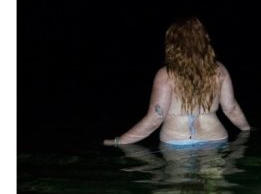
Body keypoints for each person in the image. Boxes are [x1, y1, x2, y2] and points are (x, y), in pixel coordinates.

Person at [103, 17, 251, 146]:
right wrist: (247, 130)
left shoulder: (165, 75)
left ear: (172, 44)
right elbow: (231, 109)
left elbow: (155, 118)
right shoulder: (220, 70)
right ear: (204, 41)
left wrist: (119, 141)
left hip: (177, 143)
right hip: (215, 139)